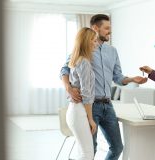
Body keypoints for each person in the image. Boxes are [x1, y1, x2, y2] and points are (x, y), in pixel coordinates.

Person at [60, 14, 147, 160]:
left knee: (117, 147)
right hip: (89, 105)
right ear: (95, 28)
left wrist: (132, 79)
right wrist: (68, 88)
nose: (109, 31)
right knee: (90, 149)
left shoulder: (112, 51)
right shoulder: (85, 49)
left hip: (108, 105)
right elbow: (65, 70)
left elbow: (118, 77)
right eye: (106, 28)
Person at [65, 27, 98, 160]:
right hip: (79, 112)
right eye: (94, 41)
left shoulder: (76, 59)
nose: (96, 43)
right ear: (87, 42)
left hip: (74, 111)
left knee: (82, 153)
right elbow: (86, 94)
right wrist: (90, 119)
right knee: (87, 154)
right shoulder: (84, 62)